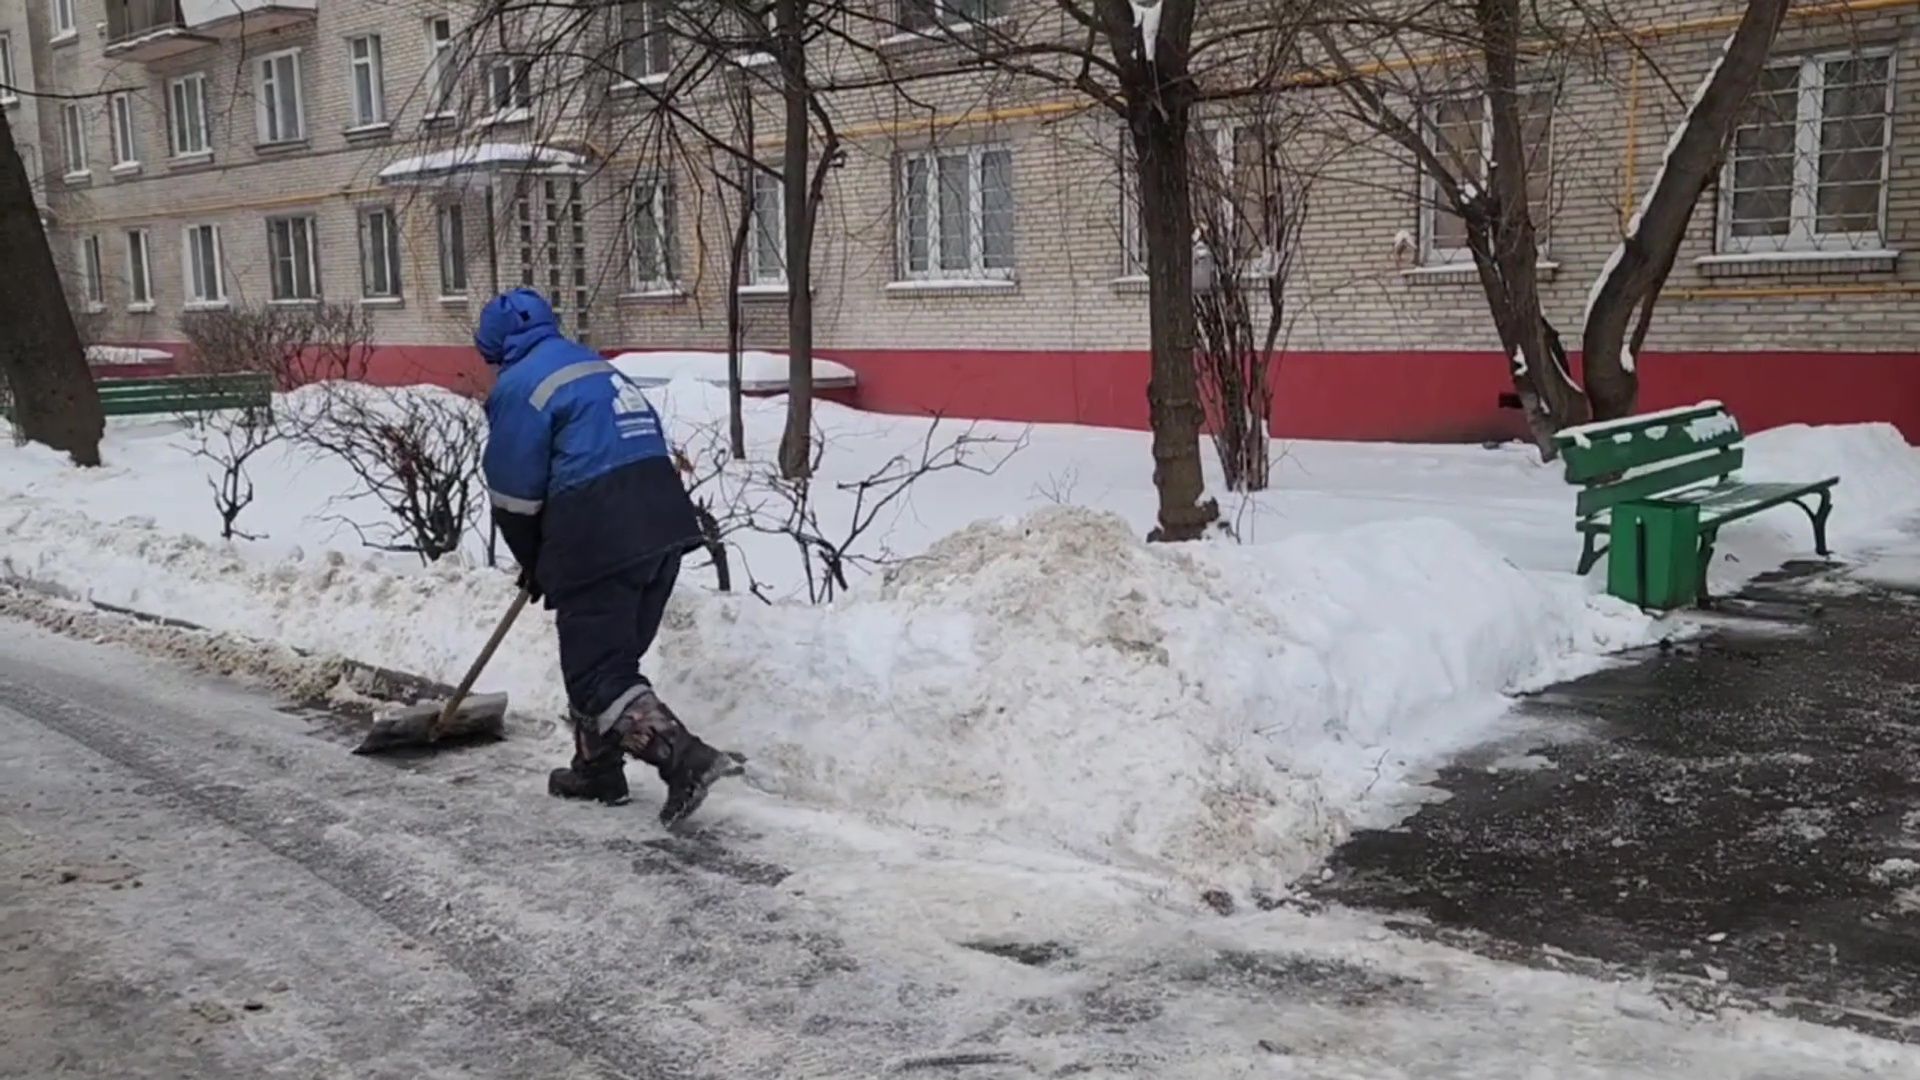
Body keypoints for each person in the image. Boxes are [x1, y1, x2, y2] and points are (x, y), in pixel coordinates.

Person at [476, 287, 737, 825]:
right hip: (662, 522)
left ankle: (684, 758)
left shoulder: (520, 386)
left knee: (598, 673)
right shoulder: (592, 367)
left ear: (497, 346)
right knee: (607, 661)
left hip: (599, 527)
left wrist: (536, 560)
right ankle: (596, 770)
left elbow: (514, 495)